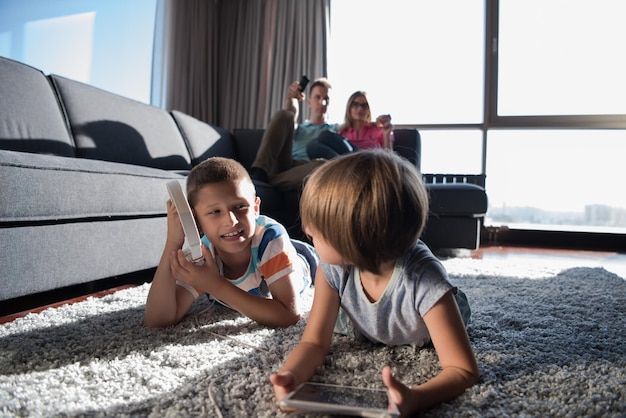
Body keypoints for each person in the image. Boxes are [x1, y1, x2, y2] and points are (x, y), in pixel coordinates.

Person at [270, 150, 479, 415]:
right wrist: (291, 375)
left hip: (420, 323)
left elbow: (463, 370)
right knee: (338, 323)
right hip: (361, 319)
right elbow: (313, 343)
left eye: (315, 233)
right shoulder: (332, 269)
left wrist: (416, 398)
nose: (307, 230)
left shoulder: (425, 281)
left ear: (353, 241)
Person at [144, 157, 314, 328]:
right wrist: (173, 243)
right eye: (215, 211)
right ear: (197, 221)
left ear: (255, 208)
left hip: (305, 260)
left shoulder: (271, 240)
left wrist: (216, 285)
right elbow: (157, 321)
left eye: (240, 206)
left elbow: (289, 315)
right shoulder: (203, 254)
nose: (231, 221)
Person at [250, 78, 343, 191]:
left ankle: (267, 181)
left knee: (322, 165)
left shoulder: (334, 129)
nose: (322, 102)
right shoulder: (300, 128)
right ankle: (259, 171)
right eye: (317, 97)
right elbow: (290, 113)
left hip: (308, 168)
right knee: (285, 115)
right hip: (286, 164)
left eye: (326, 99)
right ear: (309, 101)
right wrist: (292, 98)